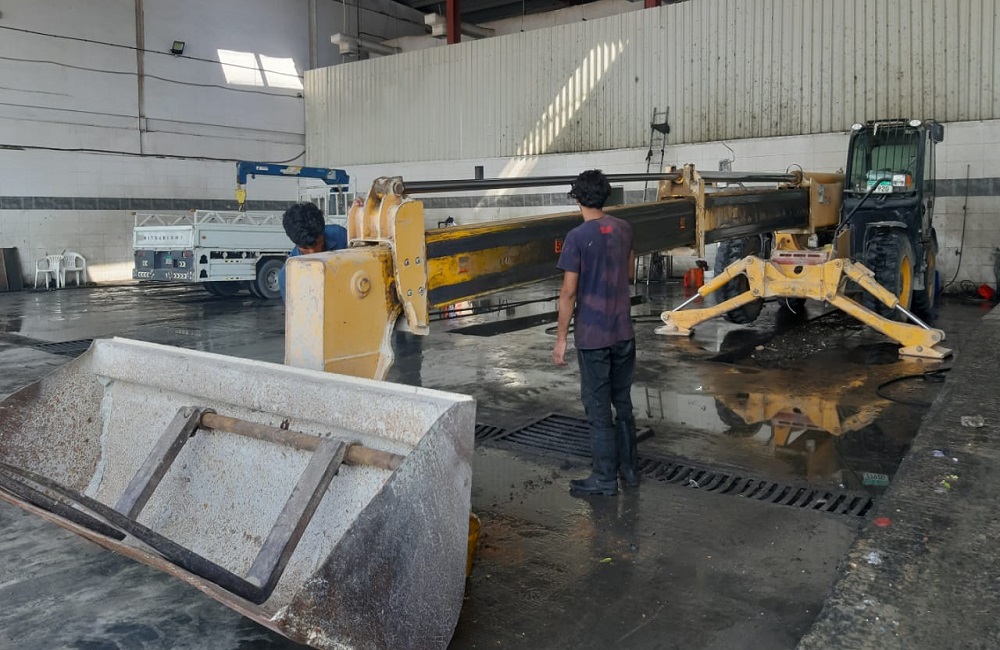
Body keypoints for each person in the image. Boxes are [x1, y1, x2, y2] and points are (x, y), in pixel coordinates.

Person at [553, 170, 637, 496]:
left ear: (577, 199)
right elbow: (628, 274)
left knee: (598, 407)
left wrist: (561, 339)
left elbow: (568, 293)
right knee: (623, 402)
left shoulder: (576, 237)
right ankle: (629, 472)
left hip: (593, 337)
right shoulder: (624, 229)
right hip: (623, 332)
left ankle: (604, 479)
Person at [277, 202, 348, 301]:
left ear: (322, 232)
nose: (313, 252)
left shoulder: (342, 236)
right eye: (305, 248)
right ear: (295, 243)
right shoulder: (287, 277)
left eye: (317, 244)